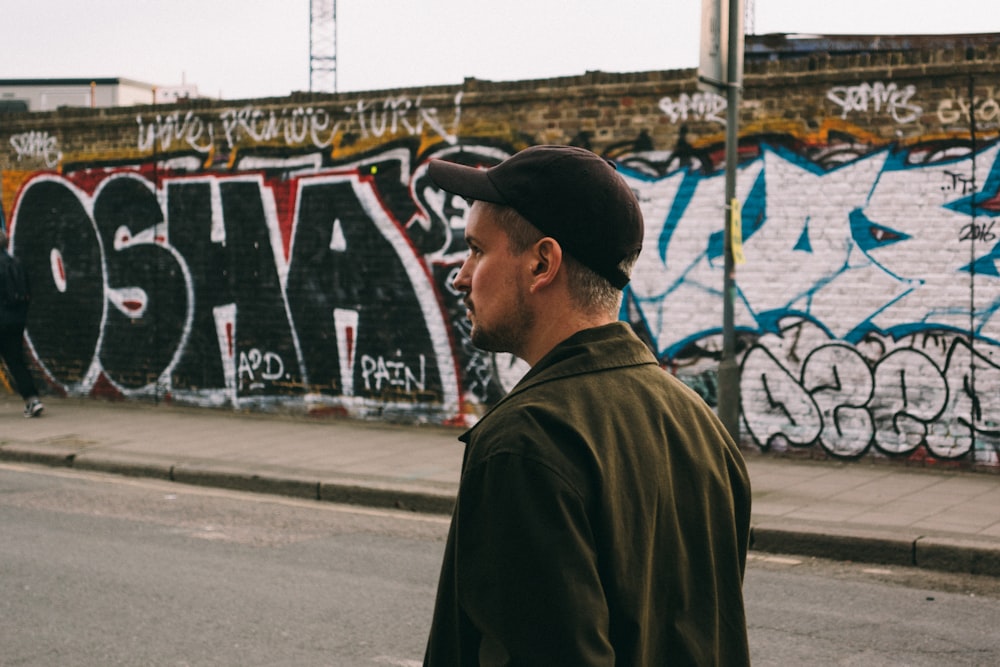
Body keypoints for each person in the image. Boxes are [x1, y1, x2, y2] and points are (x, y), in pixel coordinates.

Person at [423, 145, 751, 666]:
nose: (461, 277)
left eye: (478, 250)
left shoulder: (525, 444)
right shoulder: (699, 427)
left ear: (542, 263)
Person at [0, 228, 44, 418]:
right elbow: (27, 293)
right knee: (16, 361)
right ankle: (32, 400)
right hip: (16, 321)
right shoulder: (17, 263)